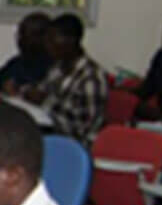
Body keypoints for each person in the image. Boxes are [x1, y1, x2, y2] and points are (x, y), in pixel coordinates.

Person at [29, 13, 106, 142]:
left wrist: (45, 101)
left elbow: (83, 129)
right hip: (50, 136)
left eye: (52, 40)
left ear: (71, 41)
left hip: (76, 145)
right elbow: (40, 92)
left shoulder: (91, 77)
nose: (47, 46)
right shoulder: (57, 69)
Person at [0, 11, 53, 92]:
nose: (20, 40)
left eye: (24, 35)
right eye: (19, 34)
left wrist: (20, 89)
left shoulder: (53, 68)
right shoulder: (16, 62)